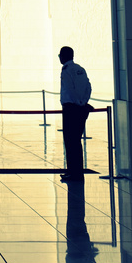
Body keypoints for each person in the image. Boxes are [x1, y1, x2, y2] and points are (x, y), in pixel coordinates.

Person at [58, 46, 92, 182]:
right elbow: (88, 86)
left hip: (71, 109)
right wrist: (83, 102)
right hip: (81, 108)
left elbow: (70, 89)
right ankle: (77, 172)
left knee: (71, 142)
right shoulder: (80, 69)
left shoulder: (66, 70)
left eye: (60, 55)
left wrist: (77, 102)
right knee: (76, 142)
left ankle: (73, 172)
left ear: (64, 56)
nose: (59, 58)